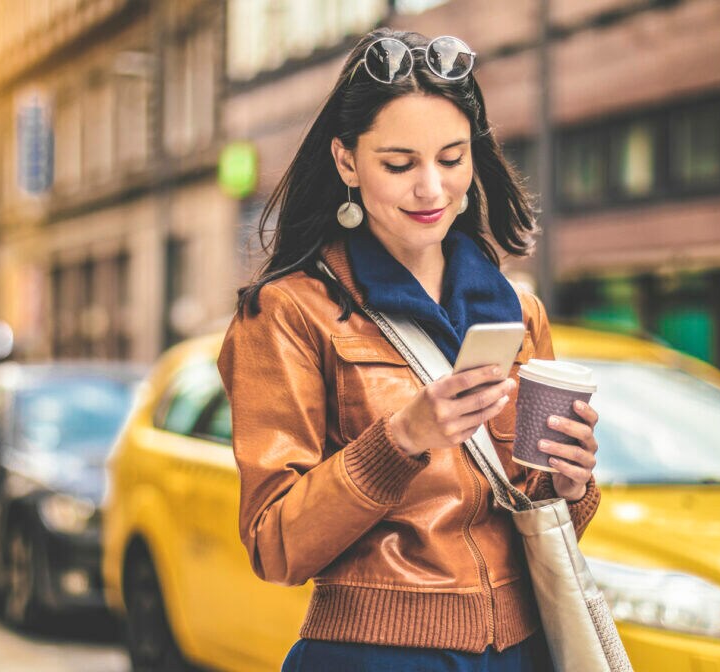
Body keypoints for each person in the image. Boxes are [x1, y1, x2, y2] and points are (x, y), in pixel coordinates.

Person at [217, 29, 603, 671]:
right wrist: (401, 439)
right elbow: (274, 545)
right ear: (346, 162)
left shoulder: (517, 311)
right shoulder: (287, 312)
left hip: (521, 650)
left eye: (452, 159)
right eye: (400, 165)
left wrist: (572, 481)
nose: (431, 188)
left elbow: (536, 516)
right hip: (376, 654)